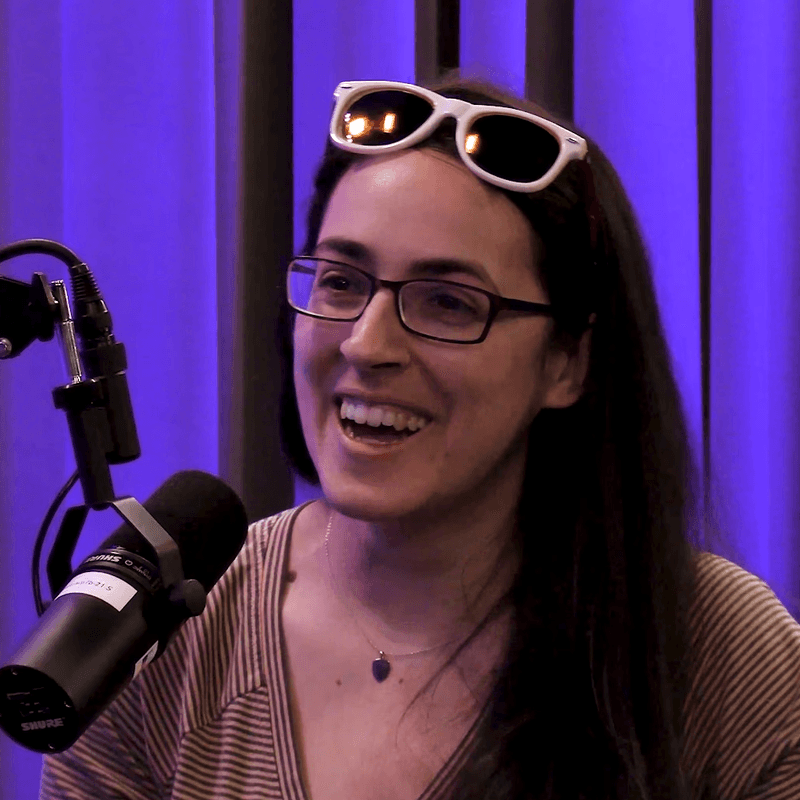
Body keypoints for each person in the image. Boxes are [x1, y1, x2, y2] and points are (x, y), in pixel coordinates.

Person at [41, 78, 800, 800]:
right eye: (340, 281)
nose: (367, 345)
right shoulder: (162, 639)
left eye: (446, 302)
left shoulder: (720, 656)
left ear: (567, 363)